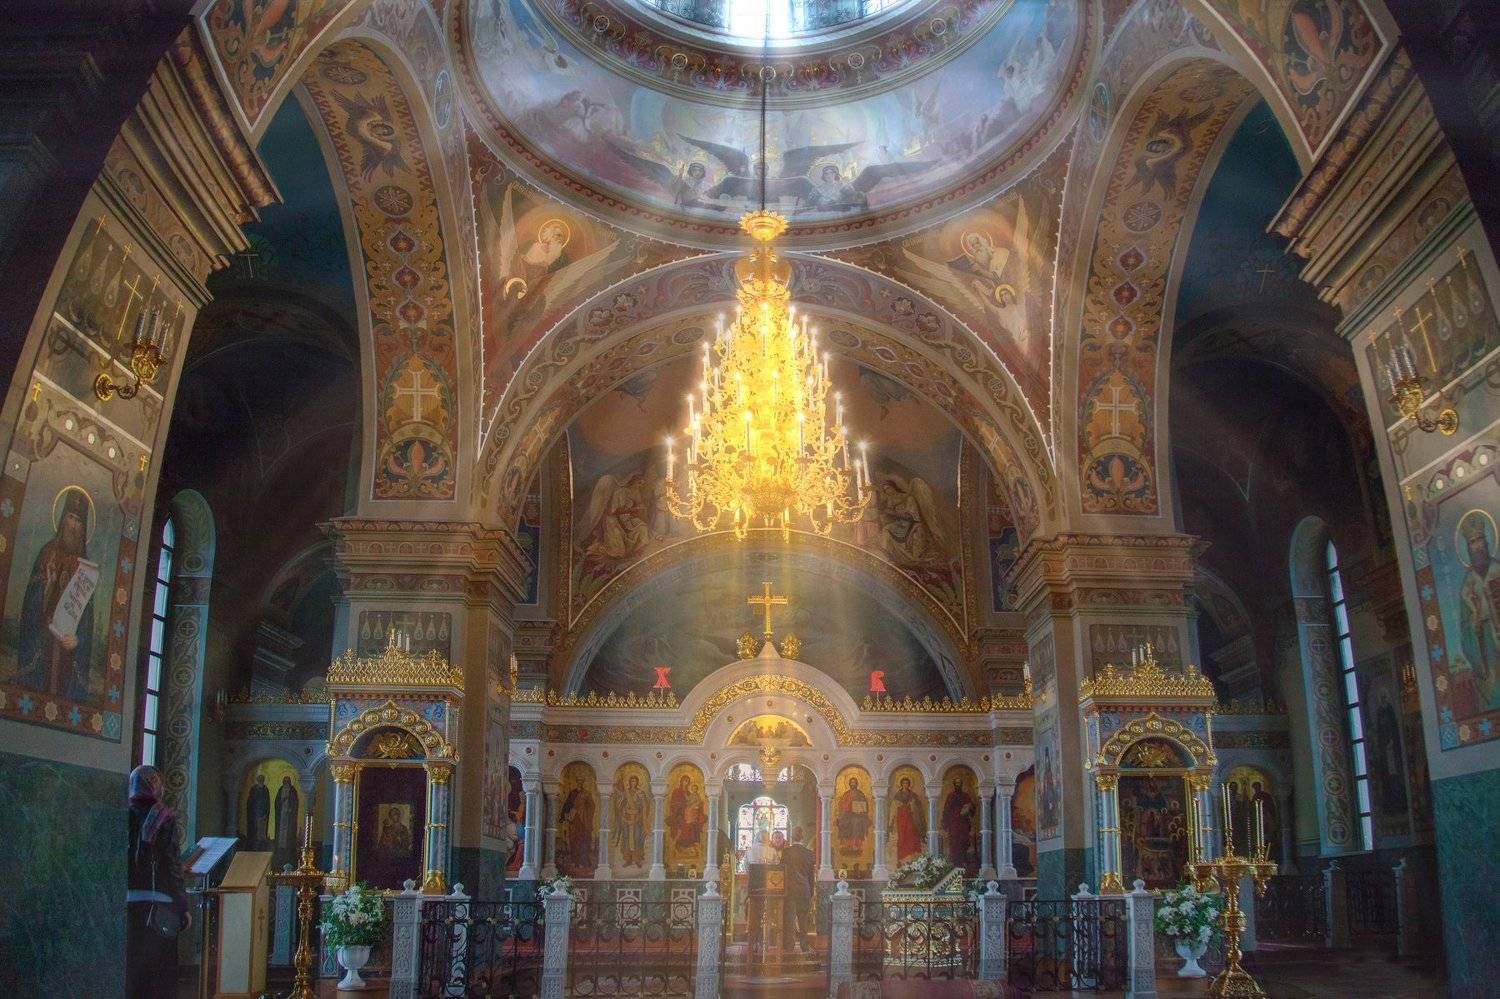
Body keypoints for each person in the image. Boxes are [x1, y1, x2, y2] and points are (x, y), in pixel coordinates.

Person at [17, 486, 95, 698]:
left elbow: (87, 616)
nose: (74, 526)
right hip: (44, 635)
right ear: (62, 520)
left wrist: (78, 639)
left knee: (64, 686)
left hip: (67, 643)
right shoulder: (47, 554)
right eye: (71, 518)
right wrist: (47, 586)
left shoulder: (85, 567)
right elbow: (30, 602)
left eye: (79, 521)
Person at [127, 765, 190, 999]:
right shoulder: (163, 817)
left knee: (133, 971)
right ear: (155, 785)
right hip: (160, 905)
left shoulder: (123, 812)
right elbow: (171, 866)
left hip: (127, 904)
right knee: (161, 974)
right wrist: (183, 908)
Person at [780, 826, 816, 953]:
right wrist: (811, 892)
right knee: (803, 919)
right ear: (803, 837)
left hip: (790, 890)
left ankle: (789, 945)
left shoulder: (786, 852)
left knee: (789, 918)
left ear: (792, 837)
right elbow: (811, 875)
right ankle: (804, 946)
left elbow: (781, 871)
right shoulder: (809, 853)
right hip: (804, 889)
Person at [245, 772, 271, 850]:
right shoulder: (253, 789)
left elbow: (267, 801)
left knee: (262, 830)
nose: (261, 780)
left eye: (262, 779)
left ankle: (261, 846)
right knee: (255, 829)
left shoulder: (265, 789)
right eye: (259, 779)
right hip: (255, 812)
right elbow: (250, 800)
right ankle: (254, 845)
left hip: (263, 813)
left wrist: (266, 812)